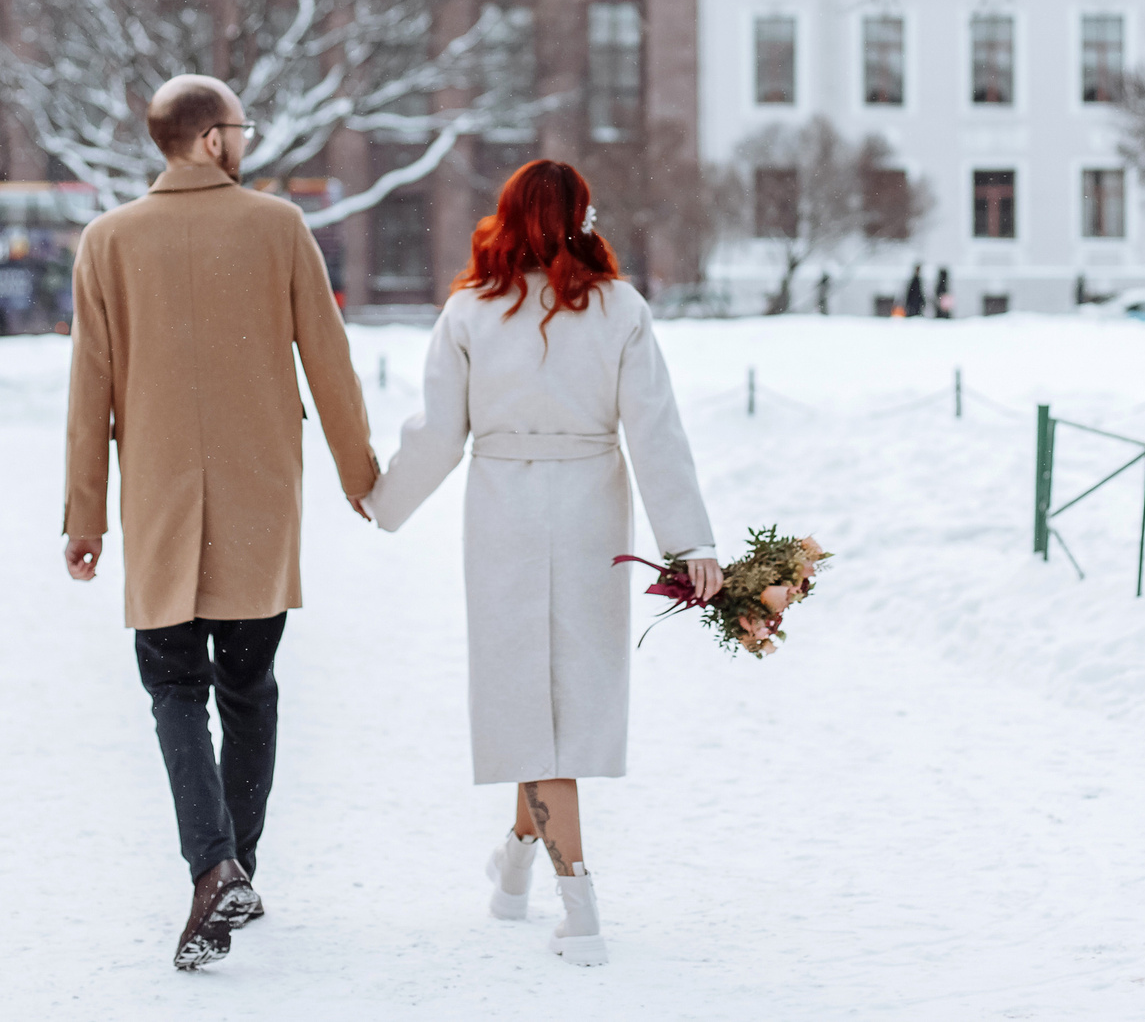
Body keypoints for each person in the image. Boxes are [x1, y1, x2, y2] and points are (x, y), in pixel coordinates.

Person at [366, 160, 718, 968]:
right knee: (564, 696)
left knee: (528, 693)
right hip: (592, 504)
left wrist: (385, 501)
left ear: (506, 217)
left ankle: (580, 901)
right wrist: (689, 542)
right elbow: (655, 431)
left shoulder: (471, 311)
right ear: (583, 218)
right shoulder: (619, 308)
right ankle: (516, 867)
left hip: (504, 511)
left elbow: (437, 433)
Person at [61, 74, 375, 972]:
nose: (245, 141)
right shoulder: (276, 228)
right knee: (248, 686)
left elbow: (92, 393)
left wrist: (86, 515)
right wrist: (361, 474)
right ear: (208, 140)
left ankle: (214, 863)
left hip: (159, 501)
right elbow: (329, 357)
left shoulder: (108, 242)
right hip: (258, 497)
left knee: (172, 689)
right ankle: (239, 864)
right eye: (238, 128)